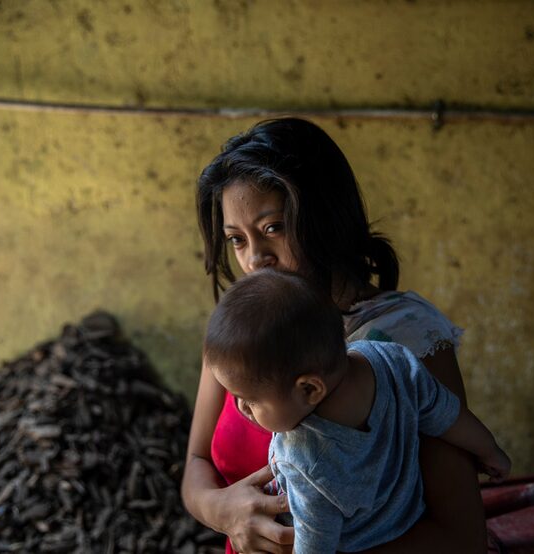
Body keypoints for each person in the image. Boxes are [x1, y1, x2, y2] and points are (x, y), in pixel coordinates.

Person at [182, 117, 489, 553]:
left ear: (324, 217)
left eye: (273, 228)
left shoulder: (406, 338)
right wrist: (222, 510)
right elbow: (196, 464)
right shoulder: (244, 332)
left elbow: (460, 539)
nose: (255, 259)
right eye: (237, 239)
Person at [202, 269, 511, 554]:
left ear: (310, 389)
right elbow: (446, 413)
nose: (241, 407)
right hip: (406, 525)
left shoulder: (305, 459)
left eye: (250, 399)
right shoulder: (391, 359)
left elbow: (314, 545)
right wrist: (490, 450)